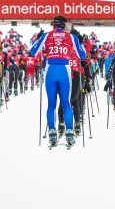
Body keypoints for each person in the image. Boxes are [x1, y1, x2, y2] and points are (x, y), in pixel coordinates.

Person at [30, 16, 88, 146]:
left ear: (53, 25)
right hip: (64, 70)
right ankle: (69, 131)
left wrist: (39, 38)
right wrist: (80, 42)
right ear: (64, 25)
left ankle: (52, 131)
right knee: (66, 103)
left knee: (51, 104)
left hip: (50, 69)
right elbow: (83, 55)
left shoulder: (46, 35)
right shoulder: (70, 36)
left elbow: (32, 51)